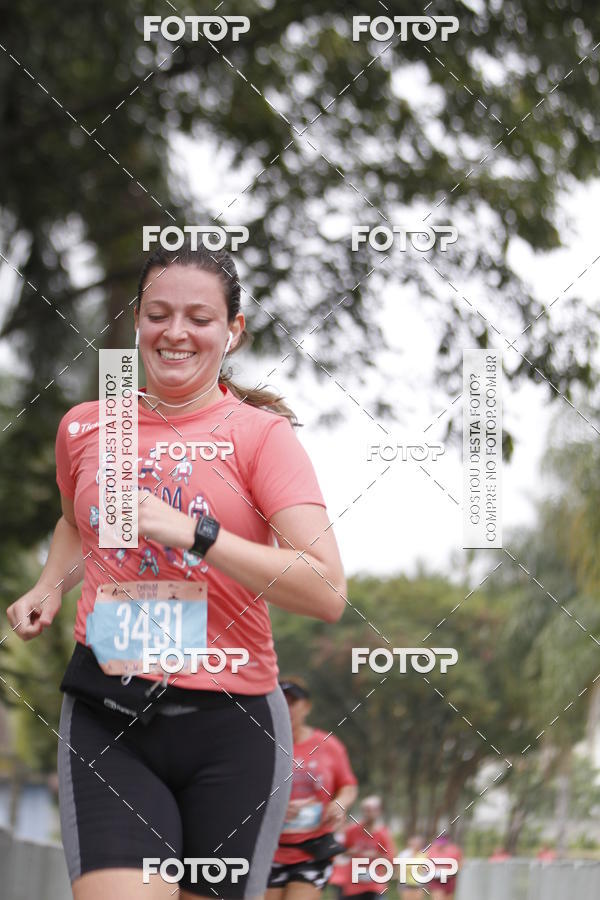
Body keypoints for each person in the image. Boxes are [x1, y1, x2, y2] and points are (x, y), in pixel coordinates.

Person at [6, 241, 347, 900]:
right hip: (112, 711)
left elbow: (326, 588)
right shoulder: (86, 427)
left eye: (199, 317)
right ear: (137, 321)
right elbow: (79, 521)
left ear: (233, 331)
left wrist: (195, 532)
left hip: (234, 722)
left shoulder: (260, 437)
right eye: (158, 314)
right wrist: (47, 587)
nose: (176, 332)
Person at [266, 677, 358, 900]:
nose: (287, 709)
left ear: (306, 706)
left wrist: (339, 803)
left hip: (312, 850)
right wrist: (274, 806)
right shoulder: (263, 742)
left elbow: (348, 785)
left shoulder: (328, 745)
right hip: (269, 850)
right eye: (281, 702)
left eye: (293, 702)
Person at [341, 796, 396, 900]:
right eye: (366, 810)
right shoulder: (352, 830)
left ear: (379, 811)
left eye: (372, 810)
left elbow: (390, 859)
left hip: (375, 885)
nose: (369, 813)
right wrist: (351, 852)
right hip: (353, 886)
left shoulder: (383, 834)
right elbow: (342, 852)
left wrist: (375, 855)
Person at [427, 835, 462, 900]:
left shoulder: (454, 850)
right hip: (436, 880)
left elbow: (460, 863)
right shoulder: (431, 850)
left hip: (450, 879)